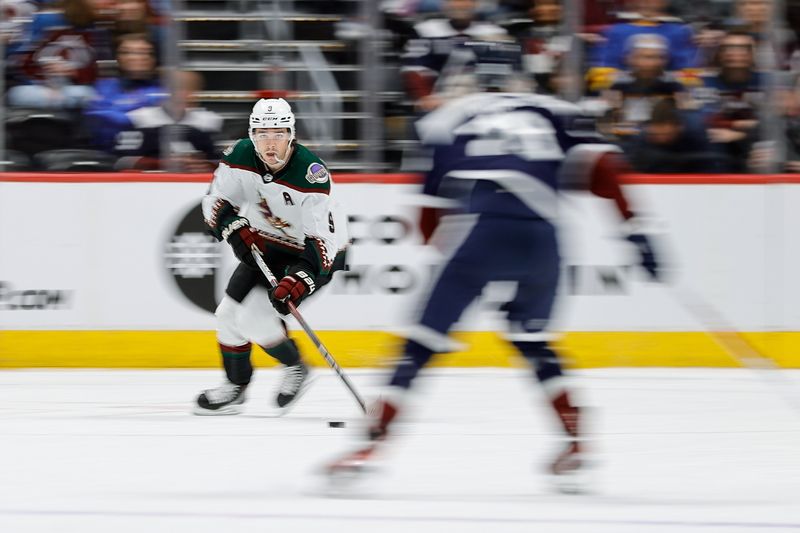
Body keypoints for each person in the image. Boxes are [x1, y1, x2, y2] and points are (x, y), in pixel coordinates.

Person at [326, 41, 660, 489]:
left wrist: (462, 270)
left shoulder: (448, 116)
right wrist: (637, 231)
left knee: (420, 346)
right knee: (533, 338)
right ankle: (576, 438)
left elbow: (427, 215)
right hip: (545, 236)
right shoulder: (556, 109)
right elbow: (605, 169)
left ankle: (369, 446)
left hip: (483, 231)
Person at [195, 98, 350, 415]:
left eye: (278, 133)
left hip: (313, 253)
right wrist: (232, 227)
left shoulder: (312, 176)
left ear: (291, 135)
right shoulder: (240, 155)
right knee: (226, 315)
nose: (270, 143)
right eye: (262, 134)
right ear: (252, 134)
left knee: (254, 318)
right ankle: (235, 387)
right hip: (267, 243)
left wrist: (299, 281)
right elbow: (216, 200)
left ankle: (297, 368)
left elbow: (322, 244)